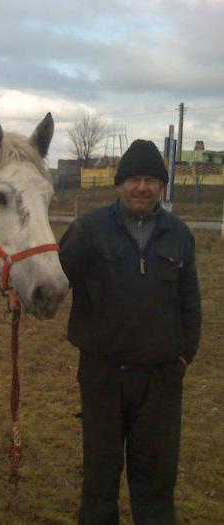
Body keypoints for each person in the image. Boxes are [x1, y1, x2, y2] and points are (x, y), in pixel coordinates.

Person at [59, 139, 201, 524]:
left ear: (162, 186)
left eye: (152, 180)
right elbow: (53, 282)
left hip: (161, 379)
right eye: (135, 178)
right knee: (100, 478)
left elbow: (191, 304)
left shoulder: (179, 235)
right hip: (103, 374)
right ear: (119, 184)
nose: (143, 187)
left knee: (156, 480)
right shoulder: (87, 231)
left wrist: (183, 356)